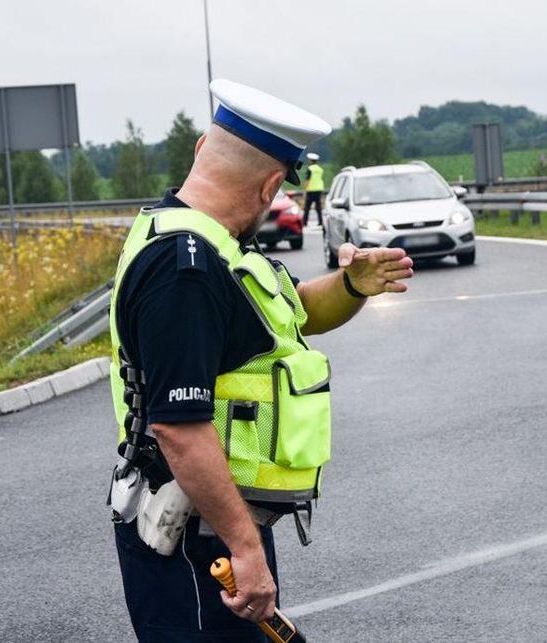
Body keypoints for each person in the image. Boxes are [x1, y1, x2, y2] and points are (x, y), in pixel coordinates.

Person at [106, 78, 414, 641]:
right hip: (198, 536)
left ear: (202, 149)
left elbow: (296, 311)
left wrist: (352, 283)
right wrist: (245, 549)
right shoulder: (187, 270)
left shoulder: (213, 244)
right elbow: (179, 429)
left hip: (214, 521)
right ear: (273, 183)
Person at [301, 152, 325, 227]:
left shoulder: (310, 169)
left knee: (307, 207)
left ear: (310, 161)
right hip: (319, 190)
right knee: (318, 207)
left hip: (311, 190)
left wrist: (304, 189)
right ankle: (320, 222)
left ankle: (304, 222)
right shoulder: (320, 169)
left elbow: (307, 180)